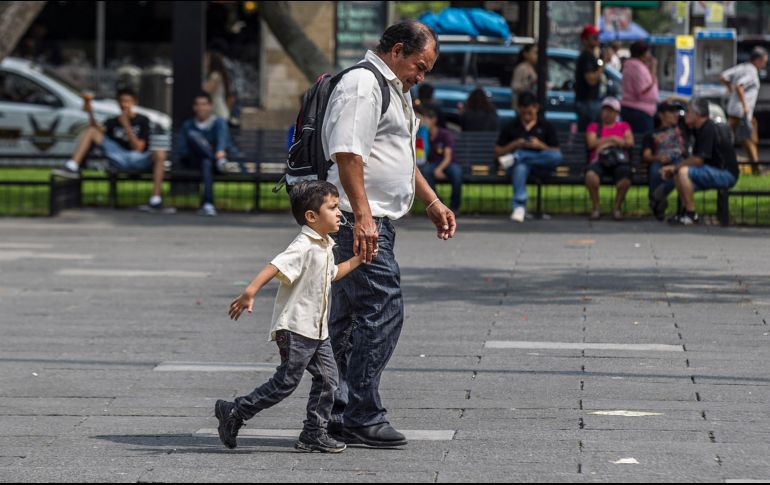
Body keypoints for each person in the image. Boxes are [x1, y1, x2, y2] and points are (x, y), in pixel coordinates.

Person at [322, 20, 456, 448]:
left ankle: (337, 410)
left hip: (368, 218)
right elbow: (348, 154)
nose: (422, 77)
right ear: (397, 50)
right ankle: (361, 413)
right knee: (383, 308)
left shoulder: (393, 87)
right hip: (357, 220)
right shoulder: (364, 85)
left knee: (348, 320)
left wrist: (431, 201)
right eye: (420, 66)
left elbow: (397, 156)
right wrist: (364, 217)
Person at [215, 180, 364, 453]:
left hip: (317, 332)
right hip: (296, 329)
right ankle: (236, 410)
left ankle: (313, 433)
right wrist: (249, 292)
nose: (339, 213)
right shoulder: (303, 245)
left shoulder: (324, 245)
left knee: (329, 381)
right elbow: (274, 266)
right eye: (333, 207)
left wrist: (358, 260)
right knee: (285, 382)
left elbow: (332, 275)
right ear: (312, 216)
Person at [54, 88, 168, 212]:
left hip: (138, 158)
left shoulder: (142, 120)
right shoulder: (112, 121)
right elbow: (96, 130)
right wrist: (89, 111)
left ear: (135, 102)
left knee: (160, 153)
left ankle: (155, 199)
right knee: (91, 130)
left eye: (128, 101)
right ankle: (72, 165)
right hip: (118, 156)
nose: (124, 104)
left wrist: (126, 125)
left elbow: (138, 148)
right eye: (122, 101)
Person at [662, 99, 739, 226]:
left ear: (697, 114)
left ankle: (691, 214)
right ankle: (683, 213)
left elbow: (698, 160)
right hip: (712, 170)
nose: (685, 115)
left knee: (683, 172)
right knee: (679, 173)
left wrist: (675, 167)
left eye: (688, 112)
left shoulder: (708, 128)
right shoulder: (698, 129)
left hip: (726, 173)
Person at [494, 91, 562, 223]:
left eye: (530, 113)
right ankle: (519, 206)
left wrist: (540, 146)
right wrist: (514, 144)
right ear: (519, 109)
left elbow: (556, 151)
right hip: (517, 168)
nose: (526, 116)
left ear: (536, 108)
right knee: (521, 167)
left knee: (556, 156)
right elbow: (497, 152)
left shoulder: (545, 125)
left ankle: (518, 156)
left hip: (541, 164)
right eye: (523, 113)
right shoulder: (511, 126)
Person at [176, 92, 233, 216]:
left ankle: (208, 204)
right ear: (194, 107)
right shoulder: (188, 126)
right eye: (198, 104)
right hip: (194, 161)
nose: (201, 107)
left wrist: (219, 150)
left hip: (209, 163)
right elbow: (183, 150)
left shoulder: (217, 123)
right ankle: (218, 161)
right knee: (193, 135)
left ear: (210, 106)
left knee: (206, 162)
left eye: (204, 104)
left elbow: (223, 140)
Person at [720, 46, 769, 175]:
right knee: (749, 140)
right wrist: (745, 105)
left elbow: (723, 76)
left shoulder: (741, 67)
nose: (765, 65)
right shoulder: (752, 71)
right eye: (764, 61)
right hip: (742, 112)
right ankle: (756, 169)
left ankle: (723, 164)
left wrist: (729, 88)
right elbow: (740, 86)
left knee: (728, 138)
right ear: (758, 60)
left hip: (733, 110)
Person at [585, 97, 634, 221]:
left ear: (617, 113)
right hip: (599, 160)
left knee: (625, 177)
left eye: (610, 111)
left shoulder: (624, 126)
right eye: (605, 110)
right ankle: (596, 207)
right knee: (590, 175)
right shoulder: (594, 126)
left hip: (619, 160)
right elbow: (591, 143)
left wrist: (606, 143)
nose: (607, 113)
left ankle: (617, 208)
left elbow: (629, 142)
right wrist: (613, 139)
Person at [644, 101, 687, 221]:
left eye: (676, 112)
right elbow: (646, 155)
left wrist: (676, 97)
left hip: (679, 160)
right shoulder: (652, 134)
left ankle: (657, 198)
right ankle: (658, 206)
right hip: (659, 161)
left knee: (680, 172)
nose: (676, 114)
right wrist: (658, 158)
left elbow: (693, 106)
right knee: (655, 171)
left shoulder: (683, 129)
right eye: (671, 112)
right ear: (661, 115)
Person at [417, 107, 463, 214]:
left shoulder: (444, 134)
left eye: (426, 120)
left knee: (457, 173)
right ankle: (437, 203)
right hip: (433, 164)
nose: (423, 123)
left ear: (434, 120)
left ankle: (454, 207)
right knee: (426, 171)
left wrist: (439, 169)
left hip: (448, 163)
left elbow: (448, 157)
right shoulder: (423, 134)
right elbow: (421, 156)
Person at [620, 41, 659, 135]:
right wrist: (653, 70)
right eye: (648, 52)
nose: (649, 55)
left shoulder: (632, 66)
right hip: (640, 111)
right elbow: (643, 90)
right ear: (641, 53)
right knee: (642, 140)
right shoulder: (637, 67)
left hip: (635, 108)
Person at [575, 25, 604, 132]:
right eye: (594, 37)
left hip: (590, 102)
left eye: (597, 37)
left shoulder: (591, 56)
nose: (597, 39)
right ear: (585, 40)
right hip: (587, 103)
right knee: (589, 133)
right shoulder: (586, 57)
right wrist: (603, 64)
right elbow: (591, 80)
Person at [204, 51, 232, 123]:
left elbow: (207, 90)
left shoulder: (215, 75)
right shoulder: (217, 74)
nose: (205, 61)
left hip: (218, 110)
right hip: (217, 109)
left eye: (207, 59)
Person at [511, 44, 537, 108]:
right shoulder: (521, 68)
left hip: (530, 105)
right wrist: (530, 82)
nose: (536, 56)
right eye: (535, 53)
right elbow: (515, 86)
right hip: (523, 106)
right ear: (526, 54)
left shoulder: (532, 67)